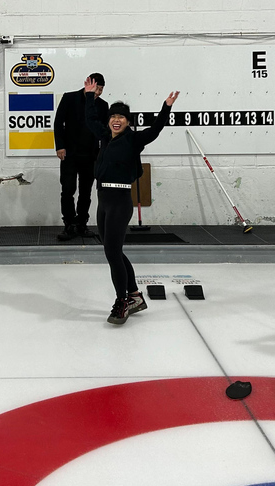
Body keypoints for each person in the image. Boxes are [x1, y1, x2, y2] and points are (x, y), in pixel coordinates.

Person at [84, 76, 179, 324]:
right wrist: (88, 96)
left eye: (121, 118)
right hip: (103, 199)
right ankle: (135, 294)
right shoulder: (104, 137)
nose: (116, 120)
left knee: (113, 252)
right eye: (113, 117)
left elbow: (156, 129)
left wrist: (166, 106)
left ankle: (122, 301)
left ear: (128, 122)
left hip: (120, 200)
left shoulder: (133, 140)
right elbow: (89, 119)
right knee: (112, 251)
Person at [54, 73, 109, 241]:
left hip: (91, 155)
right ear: (89, 85)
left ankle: (82, 224)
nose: (99, 92)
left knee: (86, 192)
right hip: (70, 153)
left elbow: (104, 131)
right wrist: (60, 146)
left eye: (101, 90)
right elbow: (58, 123)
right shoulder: (70, 98)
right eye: (97, 88)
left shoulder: (102, 105)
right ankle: (69, 224)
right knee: (68, 190)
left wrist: (103, 152)